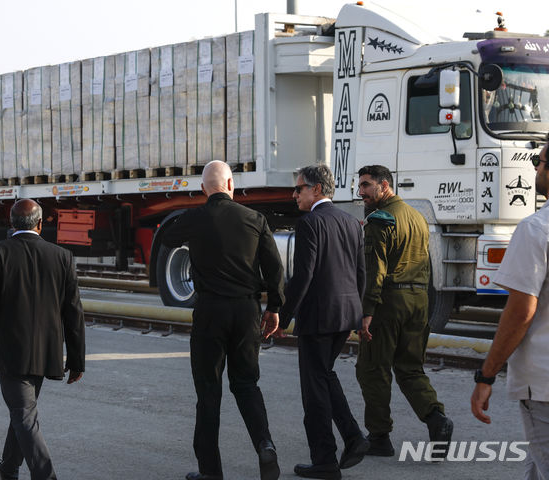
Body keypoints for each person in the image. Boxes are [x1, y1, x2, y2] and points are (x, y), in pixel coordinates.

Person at [162, 160, 285, 480]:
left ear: (204, 189)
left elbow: (166, 237)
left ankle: (210, 472)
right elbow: (275, 270)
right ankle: (265, 445)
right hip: (246, 313)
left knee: (208, 392)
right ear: (231, 186)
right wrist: (274, 308)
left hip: (210, 313)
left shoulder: (195, 217)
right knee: (246, 384)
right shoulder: (255, 219)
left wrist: (187, 218)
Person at [0, 199, 85, 480]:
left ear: (11, 223)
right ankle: (8, 468)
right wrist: (77, 359)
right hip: (46, 350)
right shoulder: (62, 256)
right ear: (40, 223)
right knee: (23, 412)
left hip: (9, 351)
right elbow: (73, 311)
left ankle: (45, 475)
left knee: (23, 415)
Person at [355, 164, 453, 457]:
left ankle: (379, 437)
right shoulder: (417, 217)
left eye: (366, 185)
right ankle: (437, 419)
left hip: (389, 304)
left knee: (372, 369)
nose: (361, 192)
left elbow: (376, 271)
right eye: (360, 186)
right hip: (419, 301)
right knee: (410, 368)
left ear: (384, 185)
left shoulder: (380, 220)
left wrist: (367, 311)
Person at [277, 165, 368, 479]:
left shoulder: (310, 223)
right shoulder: (351, 222)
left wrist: (283, 315)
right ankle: (354, 437)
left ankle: (325, 461)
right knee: (324, 375)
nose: (295, 194)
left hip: (318, 316)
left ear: (316, 189)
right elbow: (360, 273)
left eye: (299, 188)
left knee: (313, 389)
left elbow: (304, 275)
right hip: (345, 314)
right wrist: (361, 313)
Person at [471, 143, 549, 479]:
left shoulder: (536, 229)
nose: (535, 169)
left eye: (539, 161)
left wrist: (486, 375)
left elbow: (520, 311)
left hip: (544, 383)